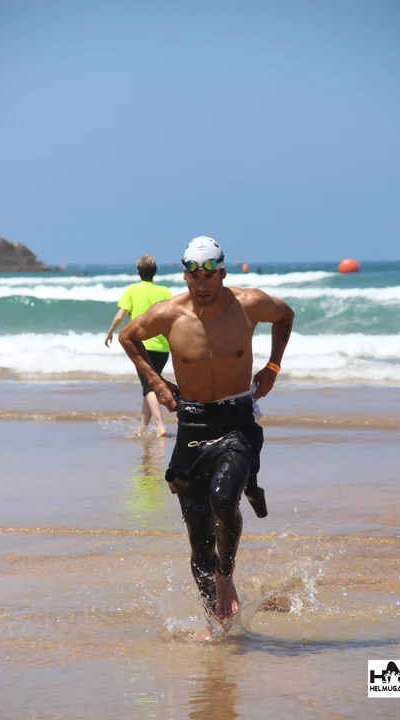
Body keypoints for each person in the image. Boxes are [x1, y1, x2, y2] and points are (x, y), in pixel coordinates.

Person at [118, 236, 294, 627]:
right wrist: (156, 381)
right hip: (193, 423)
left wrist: (272, 367)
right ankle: (219, 628)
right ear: (185, 276)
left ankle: (225, 573)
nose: (202, 285)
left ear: (222, 273)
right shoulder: (168, 314)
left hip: (237, 420)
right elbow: (128, 337)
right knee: (199, 544)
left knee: (223, 498)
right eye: (194, 277)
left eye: (209, 276)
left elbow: (286, 315)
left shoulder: (249, 304)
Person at [105, 254, 172, 437]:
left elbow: (120, 315)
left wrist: (110, 332)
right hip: (162, 347)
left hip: (140, 346)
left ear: (138, 272)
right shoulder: (165, 291)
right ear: (155, 272)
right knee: (150, 385)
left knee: (149, 386)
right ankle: (142, 428)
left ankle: (160, 428)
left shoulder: (132, 290)